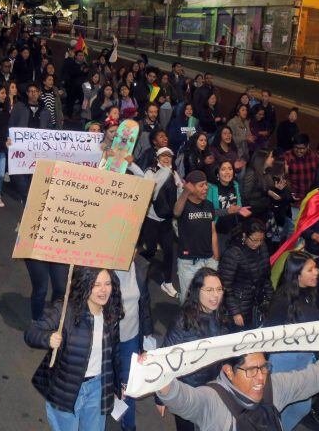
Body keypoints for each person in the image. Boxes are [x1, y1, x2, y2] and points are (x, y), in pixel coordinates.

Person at [154, 349, 319, 431]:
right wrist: (156, 377)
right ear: (229, 371)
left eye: (264, 367)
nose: (261, 377)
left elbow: (317, 375)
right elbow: (184, 399)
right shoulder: (213, 399)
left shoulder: (275, 387)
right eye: (252, 370)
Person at [25, 267, 123, 431]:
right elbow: (31, 333)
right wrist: (47, 339)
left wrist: (119, 383)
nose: (104, 290)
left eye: (107, 283)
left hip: (97, 388)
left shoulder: (110, 315)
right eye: (97, 284)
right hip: (65, 390)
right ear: (85, 285)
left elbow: (114, 354)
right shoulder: (66, 311)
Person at [264, 250, 319, 429]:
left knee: (302, 405)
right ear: (297, 275)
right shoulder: (282, 299)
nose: (316, 272)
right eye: (310, 270)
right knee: (279, 406)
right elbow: (269, 334)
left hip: (305, 359)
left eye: (315, 268)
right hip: (284, 362)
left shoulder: (311, 292)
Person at [157, 268, 230, 431]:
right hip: (188, 392)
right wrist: (161, 397)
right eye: (209, 290)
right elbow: (166, 357)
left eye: (219, 289)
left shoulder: (222, 316)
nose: (216, 295)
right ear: (197, 291)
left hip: (213, 390)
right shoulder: (183, 321)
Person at [114, 256, 154, 431]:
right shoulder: (101, 268)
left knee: (128, 384)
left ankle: (129, 427)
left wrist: (147, 336)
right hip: (108, 340)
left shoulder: (140, 266)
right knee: (106, 383)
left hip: (131, 338)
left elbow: (144, 303)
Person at [142, 147, 183, 299]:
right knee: (151, 249)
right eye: (163, 156)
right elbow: (148, 191)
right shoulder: (150, 171)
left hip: (166, 219)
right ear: (157, 158)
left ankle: (168, 281)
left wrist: (180, 188)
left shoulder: (174, 173)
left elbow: (179, 192)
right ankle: (142, 270)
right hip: (151, 218)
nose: (167, 159)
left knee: (169, 251)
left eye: (169, 156)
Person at [173, 170, 219, 304]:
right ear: (191, 187)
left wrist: (216, 256)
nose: (206, 188)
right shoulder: (183, 205)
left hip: (209, 260)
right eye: (201, 185)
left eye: (206, 185)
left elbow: (212, 231)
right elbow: (176, 212)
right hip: (188, 262)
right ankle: (186, 325)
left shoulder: (209, 205)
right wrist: (185, 192)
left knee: (208, 299)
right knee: (189, 300)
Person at [218, 219, 272, 330]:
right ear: (244, 235)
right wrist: (235, 312)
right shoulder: (233, 253)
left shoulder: (263, 248)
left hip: (256, 303)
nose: (257, 244)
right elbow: (225, 285)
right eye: (254, 240)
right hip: (239, 304)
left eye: (261, 240)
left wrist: (272, 299)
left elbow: (266, 277)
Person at [207, 160, 250, 251]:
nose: (227, 172)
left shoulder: (235, 184)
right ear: (217, 173)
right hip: (217, 231)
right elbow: (208, 212)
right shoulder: (211, 187)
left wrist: (240, 209)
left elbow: (238, 205)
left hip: (234, 229)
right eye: (223, 169)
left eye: (230, 169)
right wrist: (227, 211)